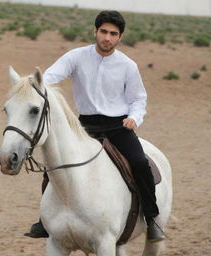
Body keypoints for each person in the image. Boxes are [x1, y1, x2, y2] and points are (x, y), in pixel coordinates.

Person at [25, 10, 165, 242]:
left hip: (119, 126)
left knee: (140, 163)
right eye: (103, 32)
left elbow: (139, 98)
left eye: (113, 34)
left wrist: (134, 118)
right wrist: (34, 86)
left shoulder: (128, 65)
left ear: (120, 37)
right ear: (95, 31)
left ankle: (152, 219)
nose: (107, 38)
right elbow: (50, 76)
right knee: (54, 164)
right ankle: (45, 221)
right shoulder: (76, 57)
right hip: (85, 126)